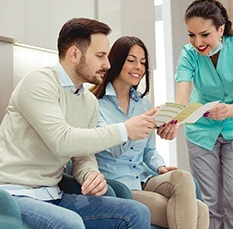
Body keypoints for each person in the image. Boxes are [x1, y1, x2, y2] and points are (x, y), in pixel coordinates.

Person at [0, 18, 156, 229]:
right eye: (100, 56)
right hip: (14, 194)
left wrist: (90, 174)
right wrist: (124, 130)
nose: (107, 65)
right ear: (74, 54)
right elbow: (62, 141)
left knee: (136, 212)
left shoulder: (88, 101)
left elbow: (83, 155)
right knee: (70, 223)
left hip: (54, 194)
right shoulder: (39, 82)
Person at [92, 36, 209, 229]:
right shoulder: (96, 105)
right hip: (119, 185)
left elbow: (149, 151)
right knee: (200, 211)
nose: (138, 67)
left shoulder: (143, 103)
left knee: (183, 178)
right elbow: (113, 149)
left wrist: (160, 167)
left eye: (143, 62)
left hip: (144, 178)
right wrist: (138, 124)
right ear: (116, 61)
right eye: (131, 60)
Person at [174, 0, 233, 229]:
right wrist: (173, 120)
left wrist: (227, 110)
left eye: (204, 34)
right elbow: (182, 99)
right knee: (208, 203)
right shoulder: (188, 54)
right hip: (201, 130)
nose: (197, 42)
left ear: (220, 28)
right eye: (191, 35)